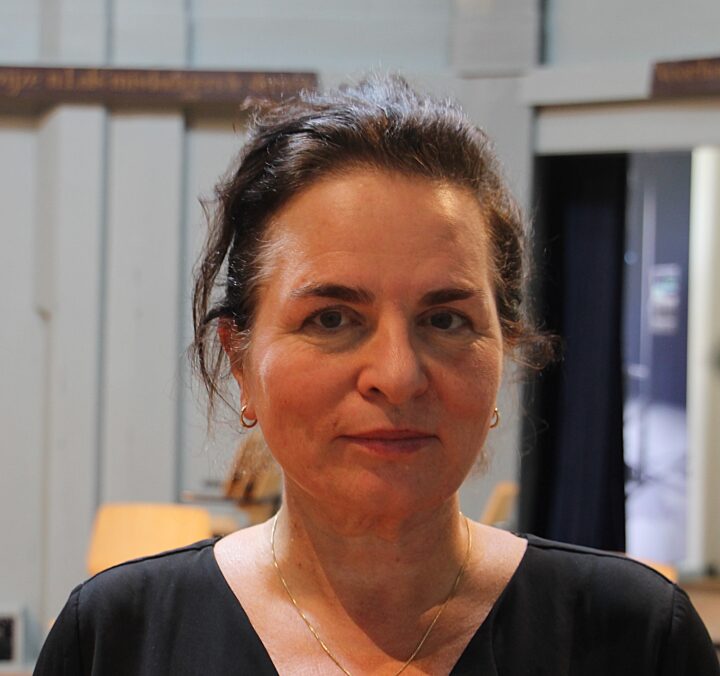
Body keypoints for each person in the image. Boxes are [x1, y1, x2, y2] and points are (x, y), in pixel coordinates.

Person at [35, 75, 718, 675]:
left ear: (504, 348)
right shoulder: (116, 639)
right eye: (332, 319)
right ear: (239, 359)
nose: (397, 375)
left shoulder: (638, 638)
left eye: (445, 320)